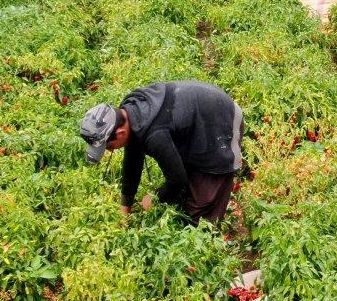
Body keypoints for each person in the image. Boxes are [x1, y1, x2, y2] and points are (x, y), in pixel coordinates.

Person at [80, 81, 244, 225]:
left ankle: (210, 247)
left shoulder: (154, 134)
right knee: (182, 198)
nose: (110, 150)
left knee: (199, 215)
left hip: (222, 119)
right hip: (199, 120)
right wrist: (125, 206)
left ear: (121, 133)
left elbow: (177, 180)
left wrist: (156, 197)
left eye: (109, 147)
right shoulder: (130, 113)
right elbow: (132, 161)